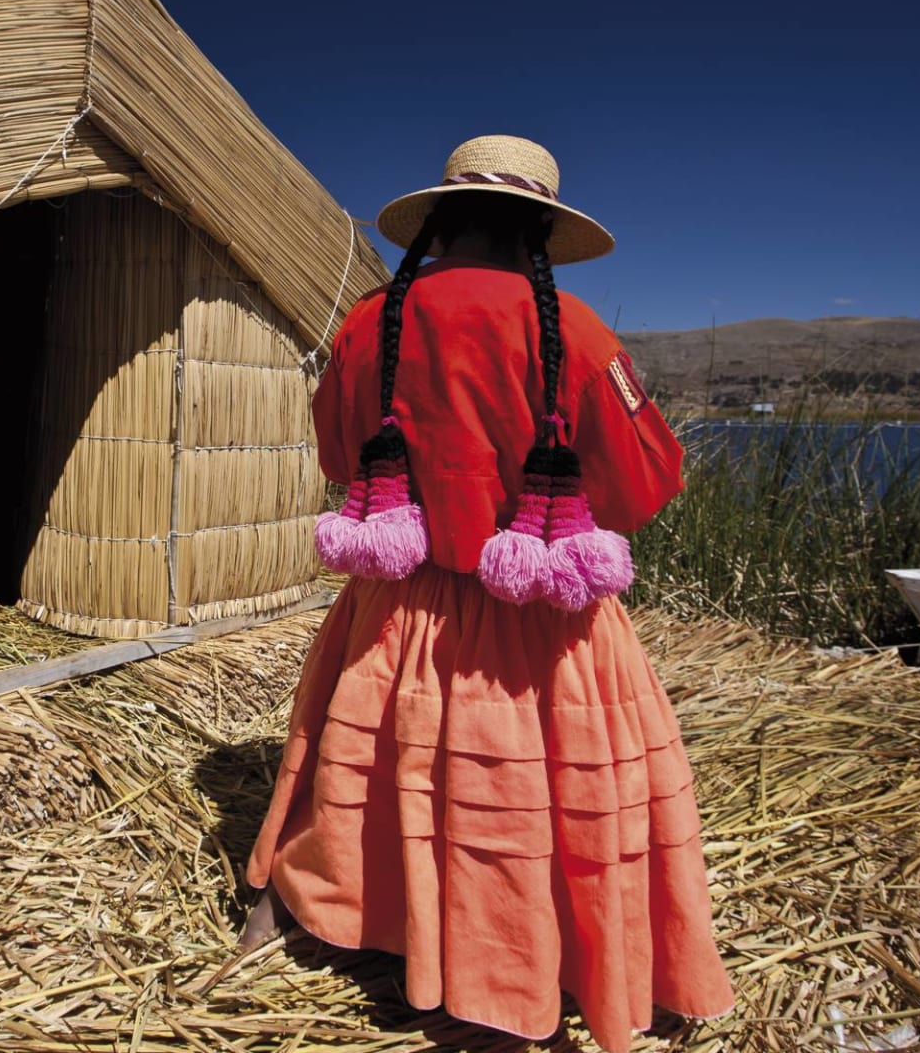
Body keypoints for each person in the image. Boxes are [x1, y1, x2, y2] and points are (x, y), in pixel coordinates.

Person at [240, 136, 735, 1051]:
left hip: (400, 613)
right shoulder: (578, 334)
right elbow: (641, 487)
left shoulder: (369, 326)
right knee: (517, 807)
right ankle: (511, 974)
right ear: (541, 232)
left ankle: (360, 920)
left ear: (437, 222)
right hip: (538, 627)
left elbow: (342, 462)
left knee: (380, 770)